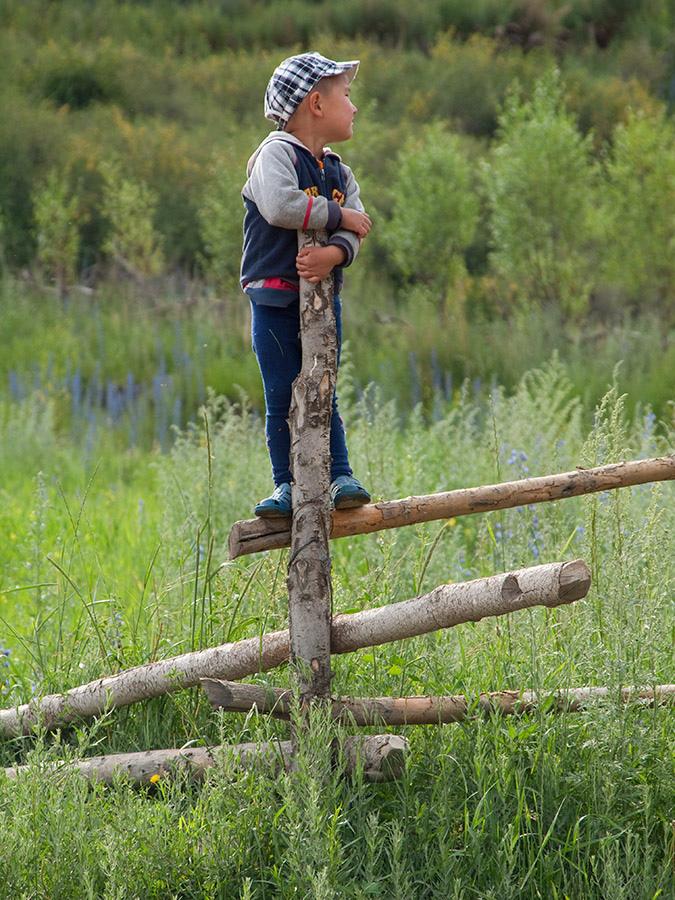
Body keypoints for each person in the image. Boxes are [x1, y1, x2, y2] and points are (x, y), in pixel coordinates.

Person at [241, 52, 373, 518]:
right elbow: (280, 205)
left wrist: (333, 253)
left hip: (322, 302)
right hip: (275, 296)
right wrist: (336, 216)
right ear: (316, 103)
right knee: (282, 391)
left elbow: (358, 228)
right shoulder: (274, 154)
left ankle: (339, 474)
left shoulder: (339, 170)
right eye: (347, 96)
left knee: (323, 387)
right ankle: (286, 484)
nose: (354, 107)